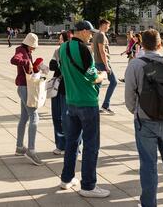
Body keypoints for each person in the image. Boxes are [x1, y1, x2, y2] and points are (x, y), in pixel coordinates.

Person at [124, 29, 163, 207]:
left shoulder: (135, 65)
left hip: (145, 121)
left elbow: (129, 97)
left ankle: (149, 204)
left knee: (148, 166)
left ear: (141, 44)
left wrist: (137, 111)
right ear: (160, 44)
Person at [58, 20, 109, 198]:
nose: (91, 36)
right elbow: (92, 77)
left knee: (72, 143)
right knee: (91, 145)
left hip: (71, 101)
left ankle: (66, 178)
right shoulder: (84, 50)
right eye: (90, 33)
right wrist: (103, 75)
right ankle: (88, 185)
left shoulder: (63, 48)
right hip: (87, 102)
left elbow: (62, 70)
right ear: (84, 31)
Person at [10, 32, 44, 166]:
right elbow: (14, 60)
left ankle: (19, 147)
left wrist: (38, 66)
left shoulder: (26, 51)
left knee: (24, 117)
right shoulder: (21, 50)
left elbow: (29, 68)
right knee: (34, 117)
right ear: (28, 44)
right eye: (33, 47)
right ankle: (31, 150)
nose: (34, 49)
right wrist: (27, 61)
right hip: (25, 88)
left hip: (25, 87)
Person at [49, 30, 76, 155]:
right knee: (56, 117)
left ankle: (73, 145)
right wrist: (61, 65)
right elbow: (52, 65)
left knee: (67, 118)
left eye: (60, 38)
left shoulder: (73, 52)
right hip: (57, 88)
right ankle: (60, 144)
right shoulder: (57, 51)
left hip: (68, 88)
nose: (58, 40)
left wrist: (61, 65)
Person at [93, 19, 117, 115]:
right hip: (103, 63)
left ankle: (94, 105)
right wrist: (107, 66)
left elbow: (92, 48)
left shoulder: (95, 34)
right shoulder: (101, 35)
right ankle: (105, 105)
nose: (108, 27)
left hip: (98, 62)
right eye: (107, 26)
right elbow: (102, 51)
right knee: (114, 82)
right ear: (103, 25)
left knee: (97, 85)